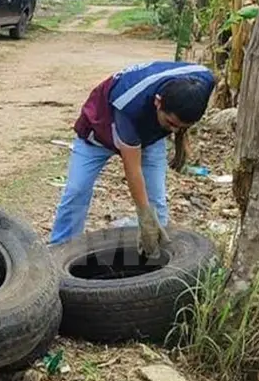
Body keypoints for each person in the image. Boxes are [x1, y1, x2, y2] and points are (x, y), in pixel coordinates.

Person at [49, 61, 216, 257]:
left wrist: (180, 135)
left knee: (157, 203)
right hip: (99, 134)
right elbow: (133, 169)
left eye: (181, 127)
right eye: (170, 123)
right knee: (76, 191)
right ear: (158, 101)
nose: (174, 130)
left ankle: (156, 260)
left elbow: (176, 121)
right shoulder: (129, 106)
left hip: (149, 136)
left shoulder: (203, 80)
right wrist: (144, 218)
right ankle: (58, 252)